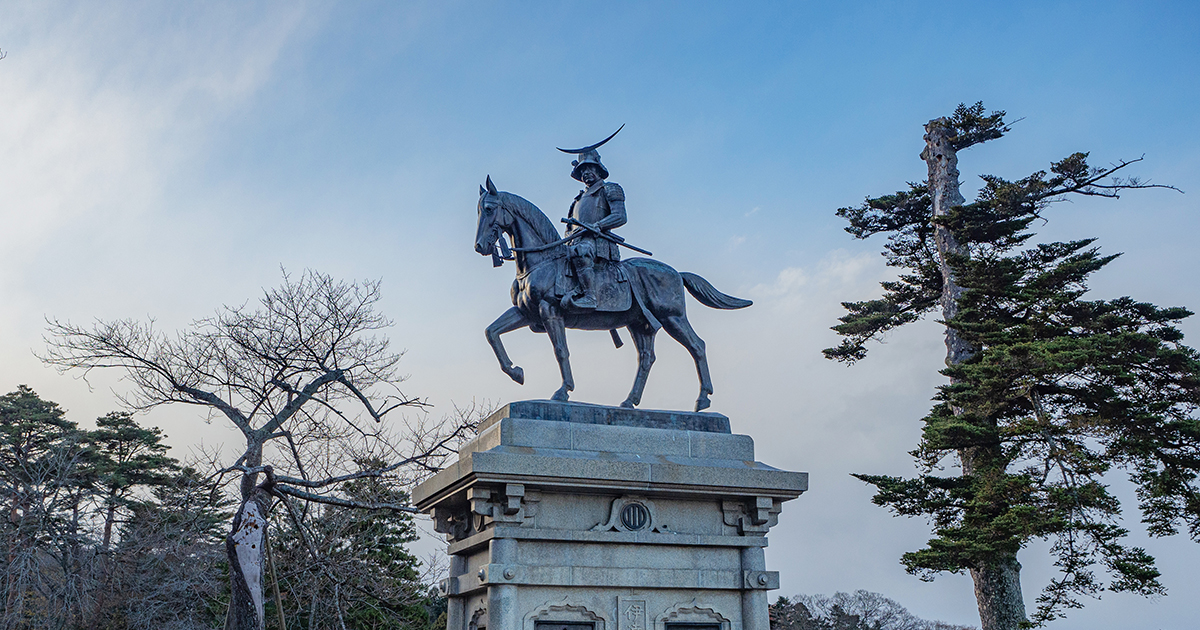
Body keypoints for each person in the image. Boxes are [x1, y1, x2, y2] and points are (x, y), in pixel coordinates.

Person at [562, 149, 626, 309]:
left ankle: (590, 296)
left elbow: (620, 216)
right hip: (575, 242)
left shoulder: (610, 189)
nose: (586, 173)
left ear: (598, 169)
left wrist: (597, 226)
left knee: (582, 251)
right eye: (582, 170)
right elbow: (569, 227)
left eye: (589, 168)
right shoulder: (577, 200)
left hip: (598, 243)